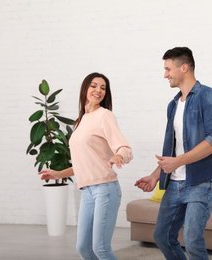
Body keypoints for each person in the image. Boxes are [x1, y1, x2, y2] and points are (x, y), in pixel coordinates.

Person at [135, 47, 212, 260]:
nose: (165, 74)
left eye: (168, 69)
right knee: (163, 236)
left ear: (184, 67)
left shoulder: (210, 97)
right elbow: (173, 149)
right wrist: (156, 174)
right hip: (175, 183)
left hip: (201, 181)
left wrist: (177, 162)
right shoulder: (173, 104)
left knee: (193, 240)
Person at [39, 72, 133, 260]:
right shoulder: (80, 121)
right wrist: (58, 174)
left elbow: (125, 148)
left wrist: (118, 155)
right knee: (83, 248)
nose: (98, 90)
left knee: (100, 248)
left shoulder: (104, 116)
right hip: (87, 192)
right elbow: (84, 163)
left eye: (103, 88)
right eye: (94, 85)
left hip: (105, 190)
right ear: (85, 89)